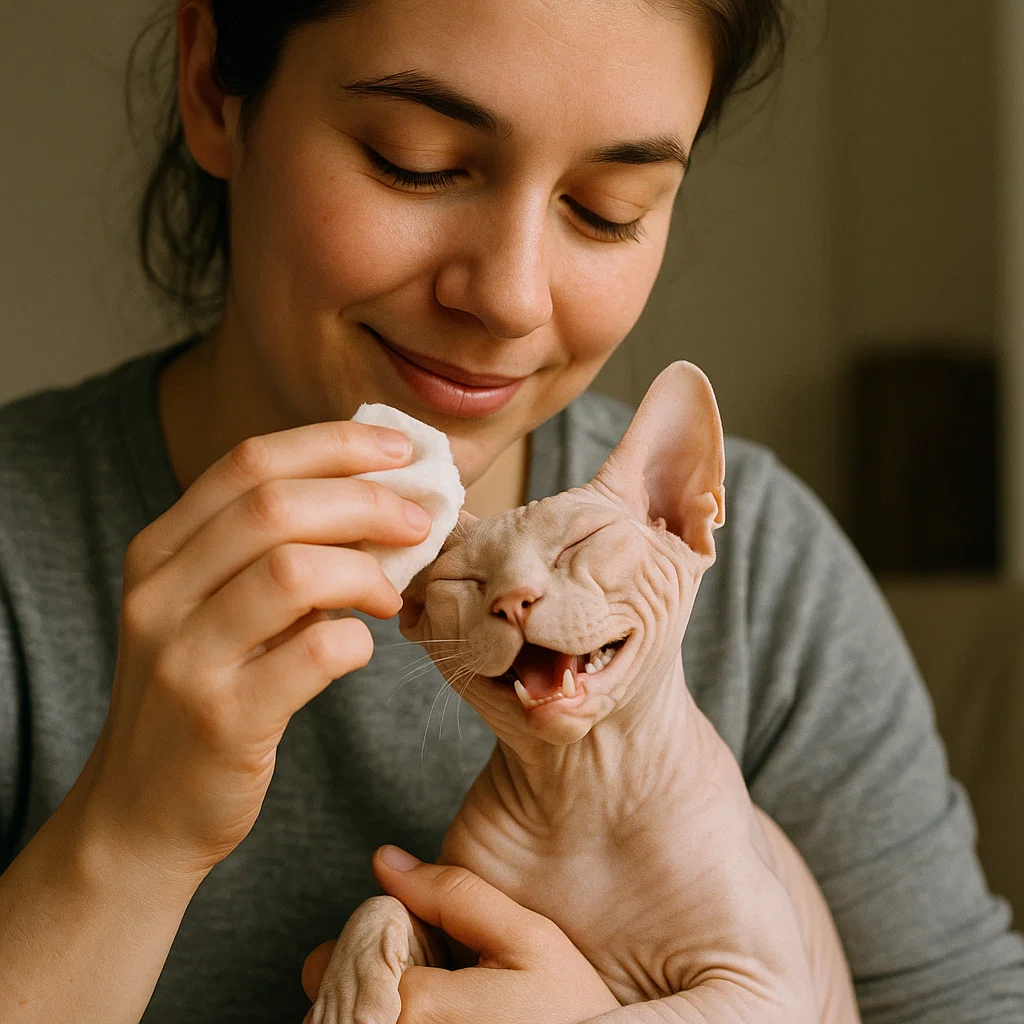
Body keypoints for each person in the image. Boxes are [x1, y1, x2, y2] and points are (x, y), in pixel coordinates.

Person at [0, 1, 1021, 1021]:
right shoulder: (20, 559)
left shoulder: (758, 575)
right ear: (211, 83)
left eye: (609, 205)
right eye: (417, 159)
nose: (512, 297)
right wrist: (127, 837)